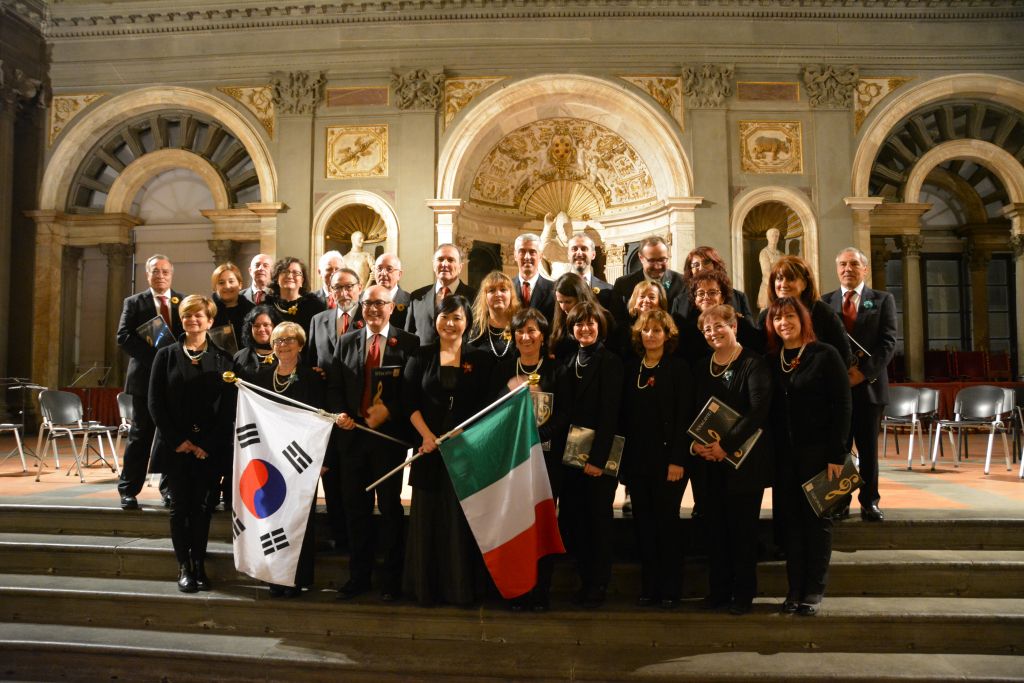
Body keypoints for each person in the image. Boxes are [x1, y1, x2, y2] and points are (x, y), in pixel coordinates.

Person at [402, 295, 498, 606]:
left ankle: (461, 590)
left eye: (457, 318)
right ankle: (427, 590)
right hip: (430, 452)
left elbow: (488, 406)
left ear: (467, 322)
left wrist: (466, 433)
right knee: (428, 520)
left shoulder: (481, 359)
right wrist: (428, 436)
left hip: (465, 452)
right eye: (445, 317)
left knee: (461, 521)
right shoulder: (422, 354)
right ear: (436, 321)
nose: (450, 323)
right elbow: (409, 402)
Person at [329, 285, 420, 602]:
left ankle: (391, 580)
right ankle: (359, 576)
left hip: (388, 441)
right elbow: (336, 387)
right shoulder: (346, 342)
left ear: (392, 307)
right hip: (352, 440)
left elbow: (412, 392)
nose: (372, 309)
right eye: (367, 303)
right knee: (356, 511)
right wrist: (340, 413)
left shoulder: (408, 343)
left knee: (392, 511)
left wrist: (391, 411)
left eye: (379, 303)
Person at [765, 297, 851, 616]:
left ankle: (814, 589)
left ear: (802, 319)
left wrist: (837, 454)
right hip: (785, 458)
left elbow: (842, 406)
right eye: (777, 318)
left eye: (789, 316)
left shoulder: (825, 355)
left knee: (818, 521)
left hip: (821, 455)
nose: (784, 322)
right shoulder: (773, 360)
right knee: (790, 524)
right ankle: (794, 589)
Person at [148, 295, 235, 593]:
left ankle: (199, 564)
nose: (193, 321)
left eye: (199, 316)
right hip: (176, 448)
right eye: (187, 316)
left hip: (208, 449)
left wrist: (205, 444)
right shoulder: (166, 355)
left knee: (202, 509)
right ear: (181, 321)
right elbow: (155, 403)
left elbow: (228, 408)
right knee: (179, 508)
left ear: (210, 321)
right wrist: (178, 441)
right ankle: (183, 567)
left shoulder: (225, 359)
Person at [691, 304, 773, 616]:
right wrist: (696, 445)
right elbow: (692, 410)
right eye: (707, 329)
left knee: (742, 532)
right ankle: (719, 591)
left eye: (718, 326)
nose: (713, 333)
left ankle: (743, 594)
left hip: (743, 464)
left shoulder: (754, 364)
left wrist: (725, 445)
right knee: (715, 531)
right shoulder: (701, 366)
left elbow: (757, 412)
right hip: (707, 462)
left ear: (733, 326)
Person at [495, 307, 570, 611]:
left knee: (542, 525)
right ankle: (518, 589)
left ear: (542, 335)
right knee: (515, 526)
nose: (526, 337)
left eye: (532, 331)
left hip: (545, 461)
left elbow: (565, 413)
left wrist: (538, 436)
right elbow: (493, 412)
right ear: (513, 337)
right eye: (520, 332)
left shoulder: (557, 371)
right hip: (513, 461)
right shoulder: (503, 370)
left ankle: (541, 591)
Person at [620, 309, 694, 609]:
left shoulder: (678, 369)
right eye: (646, 330)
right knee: (644, 526)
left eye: (657, 331)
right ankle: (649, 587)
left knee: (667, 524)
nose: (651, 335)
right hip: (638, 461)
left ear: (667, 335)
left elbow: (684, 417)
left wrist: (678, 459)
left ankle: (671, 588)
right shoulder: (632, 367)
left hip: (669, 462)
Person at [253, 321, 332, 597]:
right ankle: (276, 575)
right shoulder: (262, 377)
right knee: (274, 518)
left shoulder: (312, 378)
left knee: (299, 519)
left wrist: (322, 459)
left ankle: (298, 577)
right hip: (271, 459)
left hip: (303, 460)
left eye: (289, 340)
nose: (283, 345)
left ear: (300, 344)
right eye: (278, 341)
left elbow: (323, 420)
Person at [820, 247, 897, 523]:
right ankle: (839, 502)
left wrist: (863, 373)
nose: (847, 269)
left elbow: (888, 343)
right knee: (838, 449)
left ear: (864, 269)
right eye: (842, 264)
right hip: (836, 390)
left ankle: (869, 502)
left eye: (853, 264)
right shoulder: (825, 302)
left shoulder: (882, 300)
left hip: (869, 388)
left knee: (867, 450)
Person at [559, 301, 623, 609]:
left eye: (590, 323)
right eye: (579, 324)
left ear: (600, 325)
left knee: (599, 521)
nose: (585, 328)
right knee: (577, 521)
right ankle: (585, 580)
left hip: (598, 458)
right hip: (571, 458)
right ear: (571, 329)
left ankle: (599, 583)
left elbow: (611, 414)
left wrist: (597, 460)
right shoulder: (569, 361)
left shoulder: (610, 362)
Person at [115, 254, 183, 511]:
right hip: (144, 378)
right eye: (156, 271)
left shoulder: (182, 301)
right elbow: (123, 337)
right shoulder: (134, 302)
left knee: (170, 436)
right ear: (147, 274)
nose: (161, 275)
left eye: (165, 271)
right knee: (140, 435)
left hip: (174, 381)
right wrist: (157, 358)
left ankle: (169, 490)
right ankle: (129, 490)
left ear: (171, 273)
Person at [757, 255, 852, 367]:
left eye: (791, 279)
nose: (783, 284)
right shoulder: (765, 316)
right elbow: (760, 356)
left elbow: (844, 357)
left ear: (805, 284)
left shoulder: (823, 312)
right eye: (779, 279)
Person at [679, 270, 765, 361]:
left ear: (722, 298)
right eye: (701, 293)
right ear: (695, 300)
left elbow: (757, 352)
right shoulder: (688, 330)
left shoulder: (738, 323)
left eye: (712, 292)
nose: (706, 297)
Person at [405, 244, 477, 345]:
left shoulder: (475, 297)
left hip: (460, 358)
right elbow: (408, 336)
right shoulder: (417, 297)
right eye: (440, 259)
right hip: (423, 359)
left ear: (460, 267)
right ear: (434, 265)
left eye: (451, 260)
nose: (444, 264)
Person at [611, 236, 686, 326]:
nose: (657, 266)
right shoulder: (623, 284)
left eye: (662, 260)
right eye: (652, 260)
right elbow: (617, 321)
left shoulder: (682, 282)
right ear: (641, 258)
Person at [676, 246, 754, 321]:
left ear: (716, 265)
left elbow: (750, 331)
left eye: (706, 262)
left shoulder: (739, 297)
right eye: (695, 265)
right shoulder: (680, 301)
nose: (701, 268)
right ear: (690, 270)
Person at [307, 268, 363, 368]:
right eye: (337, 287)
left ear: (359, 288)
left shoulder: (370, 319)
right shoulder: (318, 320)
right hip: (325, 382)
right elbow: (312, 361)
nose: (343, 293)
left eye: (349, 287)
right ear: (331, 290)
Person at [548, 272, 601, 362]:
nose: (563, 307)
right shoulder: (560, 319)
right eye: (560, 302)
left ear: (581, 298)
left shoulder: (599, 318)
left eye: (568, 302)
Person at [608, 279, 668, 357]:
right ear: (634, 301)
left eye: (652, 297)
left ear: (660, 303)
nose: (646, 300)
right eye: (642, 296)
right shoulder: (622, 330)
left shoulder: (667, 328)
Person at [469, 271, 521, 360]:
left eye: (503, 289)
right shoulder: (474, 329)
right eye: (492, 290)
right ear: (485, 297)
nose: (498, 294)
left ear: (511, 295)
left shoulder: (520, 327)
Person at [267, 257, 326, 336]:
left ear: (302, 281)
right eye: (285, 271)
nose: (290, 276)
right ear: (277, 278)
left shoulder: (315, 306)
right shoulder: (267, 305)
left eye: (296, 273)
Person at [511, 233, 555, 322]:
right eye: (522, 251)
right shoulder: (506, 287)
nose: (527, 257)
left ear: (540, 256)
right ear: (515, 255)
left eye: (532, 252)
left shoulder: (553, 289)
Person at [211, 262, 254, 350]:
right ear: (215, 287)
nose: (227, 286)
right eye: (221, 283)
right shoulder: (208, 311)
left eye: (231, 281)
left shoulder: (253, 311)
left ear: (240, 285)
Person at [232, 305, 281, 380]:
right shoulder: (239, 357)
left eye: (266, 325)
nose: (261, 329)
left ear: (275, 326)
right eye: (256, 326)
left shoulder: (287, 354)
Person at [568, 233, 613, 309]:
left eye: (584, 249)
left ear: (593, 255)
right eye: (574, 249)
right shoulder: (555, 288)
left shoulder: (608, 290)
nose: (579, 253)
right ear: (568, 255)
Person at [373, 253, 411, 329]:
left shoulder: (410, 302)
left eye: (389, 269)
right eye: (379, 269)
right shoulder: (363, 300)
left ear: (399, 275)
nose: (383, 273)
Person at [757, 228, 783, 311]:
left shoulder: (782, 254)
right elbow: (766, 272)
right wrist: (775, 284)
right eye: (772, 236)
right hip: (768, 286)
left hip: (781, 286)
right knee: (765, 313)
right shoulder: (764, 252)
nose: (774, 238)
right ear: (767, 237)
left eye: (776, 236)